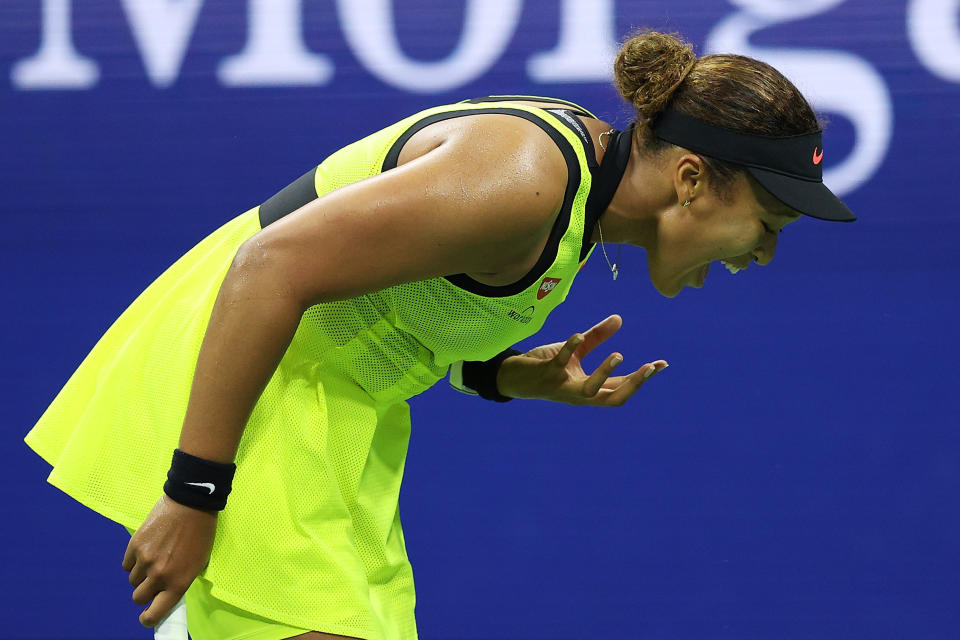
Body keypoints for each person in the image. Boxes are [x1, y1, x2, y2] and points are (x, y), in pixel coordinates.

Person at [23, 29, 855, 640]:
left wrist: (498, 374)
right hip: (244, 405)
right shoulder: (527, 181)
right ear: (691, 178)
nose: (764, 254)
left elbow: (396, 303)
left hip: (332, 432)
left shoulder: (576, 207)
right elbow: (269, 268)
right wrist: (193, 494)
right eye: (769, 221)